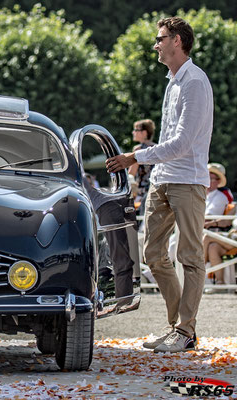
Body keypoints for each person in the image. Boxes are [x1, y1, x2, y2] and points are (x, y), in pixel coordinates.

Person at [106, 16, 213, 353]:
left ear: (177, 41)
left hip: (188, 180)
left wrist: (134, 156)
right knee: (152, 254)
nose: (156, 44)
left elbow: (182, 143)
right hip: (164, 179)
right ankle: (179, 328)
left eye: (160, 38)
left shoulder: (195, 82)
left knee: (191, 257)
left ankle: (183, 330)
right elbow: (171, 140)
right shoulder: (173, 82)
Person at [202, 163, 235, 290]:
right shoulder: (206, 196)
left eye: (211, 178)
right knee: (213, 247)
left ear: (218, 181)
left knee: (207, 238)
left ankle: (200, 273)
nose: (208, 181)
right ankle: (220, 284)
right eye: (207, 177)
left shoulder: (221, 196)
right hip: (222, 236)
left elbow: (216, 220)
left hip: (226, 235)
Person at [128, 119, 156, 216]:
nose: (133, 132)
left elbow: (131, 174)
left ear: (144, 133)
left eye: (136, 130)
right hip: (155, 189)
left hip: (142, 193)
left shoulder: (138, 149)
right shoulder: (157, 147)